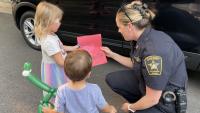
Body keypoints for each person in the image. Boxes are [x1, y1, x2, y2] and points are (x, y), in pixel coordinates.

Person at [101, 1, 188, 113]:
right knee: (113, 79)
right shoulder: (143, 36)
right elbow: (135, 63)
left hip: (164, 101)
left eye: (119, 27)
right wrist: (112, 54)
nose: (118, 30)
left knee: (141, 105)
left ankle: (143, 107)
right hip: (154, 86)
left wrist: (130, 107)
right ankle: (142, 103)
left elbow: (153, 98)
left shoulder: (154, 52)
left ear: (130, 26)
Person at [42, 50, 117, 113]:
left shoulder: (61, 90)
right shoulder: (94, 89)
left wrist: (49, 111)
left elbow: (59, 111)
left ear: (65, 72)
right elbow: (104, 108)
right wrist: (112, 109)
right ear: (88, 74)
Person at [34, 1, 79, 89]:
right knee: (58, 89)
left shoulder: (50, 34)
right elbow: (61, 62)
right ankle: (57, 102)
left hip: (54, 67)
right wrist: (75, 63)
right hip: (56, 70)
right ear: (47, 22)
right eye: (57, 20)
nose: (60, 23)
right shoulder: (49, 41)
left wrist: (73, 48)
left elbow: (59, 47)